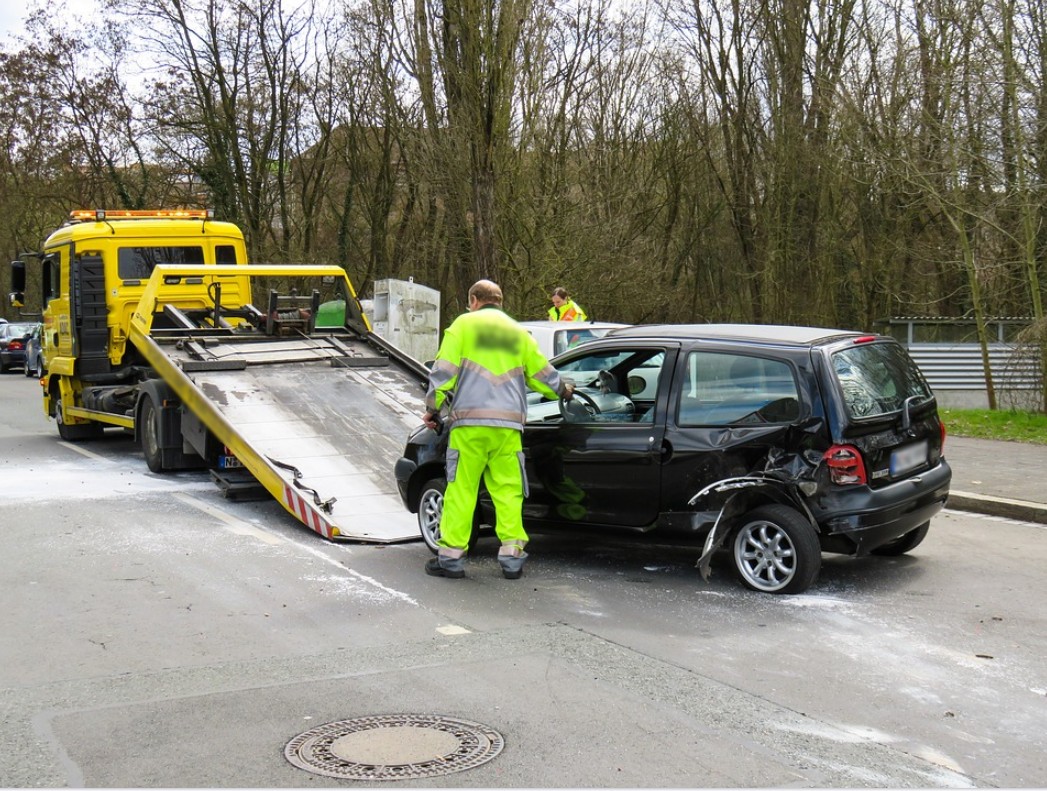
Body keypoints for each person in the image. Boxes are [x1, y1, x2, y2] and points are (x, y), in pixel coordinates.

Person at [422, 279, 574, 580]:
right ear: (500, 302)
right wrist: (564, 389)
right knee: (508, 491)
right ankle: (512, 558)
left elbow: (444, 373)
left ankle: (451, 558)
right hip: (508, 428)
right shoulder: (519, 334)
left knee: (462, 490)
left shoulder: (462, 326)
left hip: (470, 426)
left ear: (474, 301)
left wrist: (432, 408)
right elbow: (543, 375)